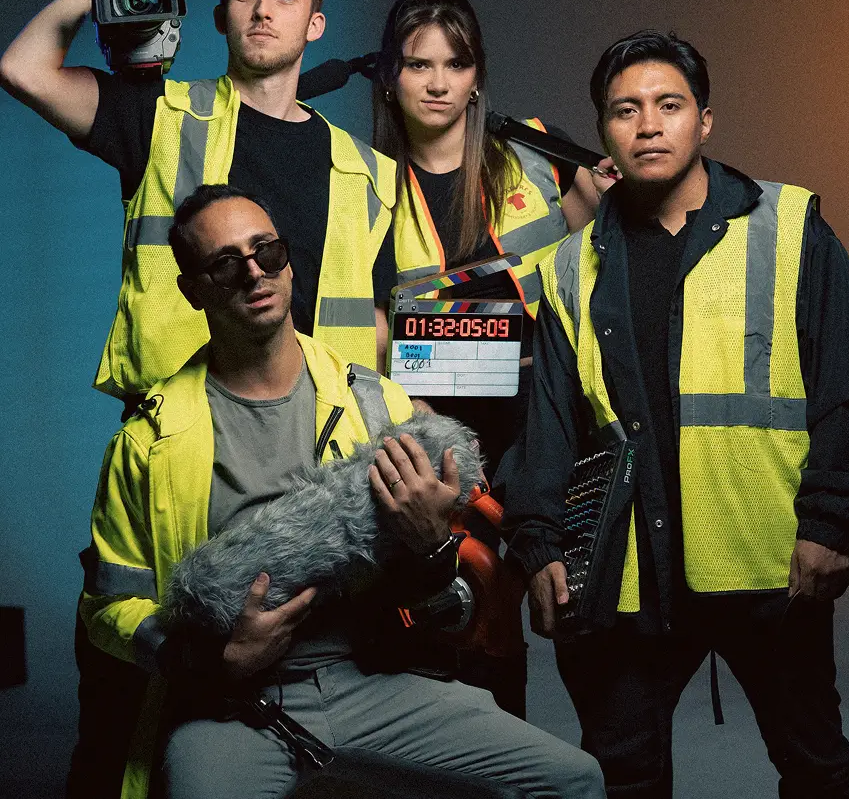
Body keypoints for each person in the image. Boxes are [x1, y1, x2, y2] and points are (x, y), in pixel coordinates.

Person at [79, 183, 605, 799]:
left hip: (372, 680)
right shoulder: (149, 442)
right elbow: (108, 608)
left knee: (573, 780)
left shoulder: (376, 405)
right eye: (225, 264)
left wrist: (433, 545)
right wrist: (212, 661)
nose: (254, 274)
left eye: (267, 252)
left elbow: (439, 603)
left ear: (287, 263)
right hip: (231, 702)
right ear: (193, 290)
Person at [499, 30, 849, 798]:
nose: (648, 124)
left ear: (704, 120)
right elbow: (548, 426)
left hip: (767, 561)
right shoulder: (571, 266)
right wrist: (539, 542)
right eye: (625, 110)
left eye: (669, 105)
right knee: (623, 774)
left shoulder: (788, 229)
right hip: (625, 571)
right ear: (604, 131)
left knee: (816, 767)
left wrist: (830, 524)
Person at [0, 0, 396, 409]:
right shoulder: (161, 116)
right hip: (184, 423)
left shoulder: (367, 172)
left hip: (326, 430)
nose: (263, 10)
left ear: (315, 24)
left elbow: (376, 326)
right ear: (220, 16)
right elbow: (23, 71)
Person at [371, 0, 612, 716]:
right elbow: (361, 320)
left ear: (478, 75)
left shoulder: (537, 150)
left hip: (551, 422)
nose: (438, 83)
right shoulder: (364, 184)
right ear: (390, 75)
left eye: (456, 63)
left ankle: (603, 762)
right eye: (419, 64)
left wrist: (610, 194)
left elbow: (589, 259)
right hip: (442, 431)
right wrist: (410, 395)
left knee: (584, 620)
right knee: (474, 625)